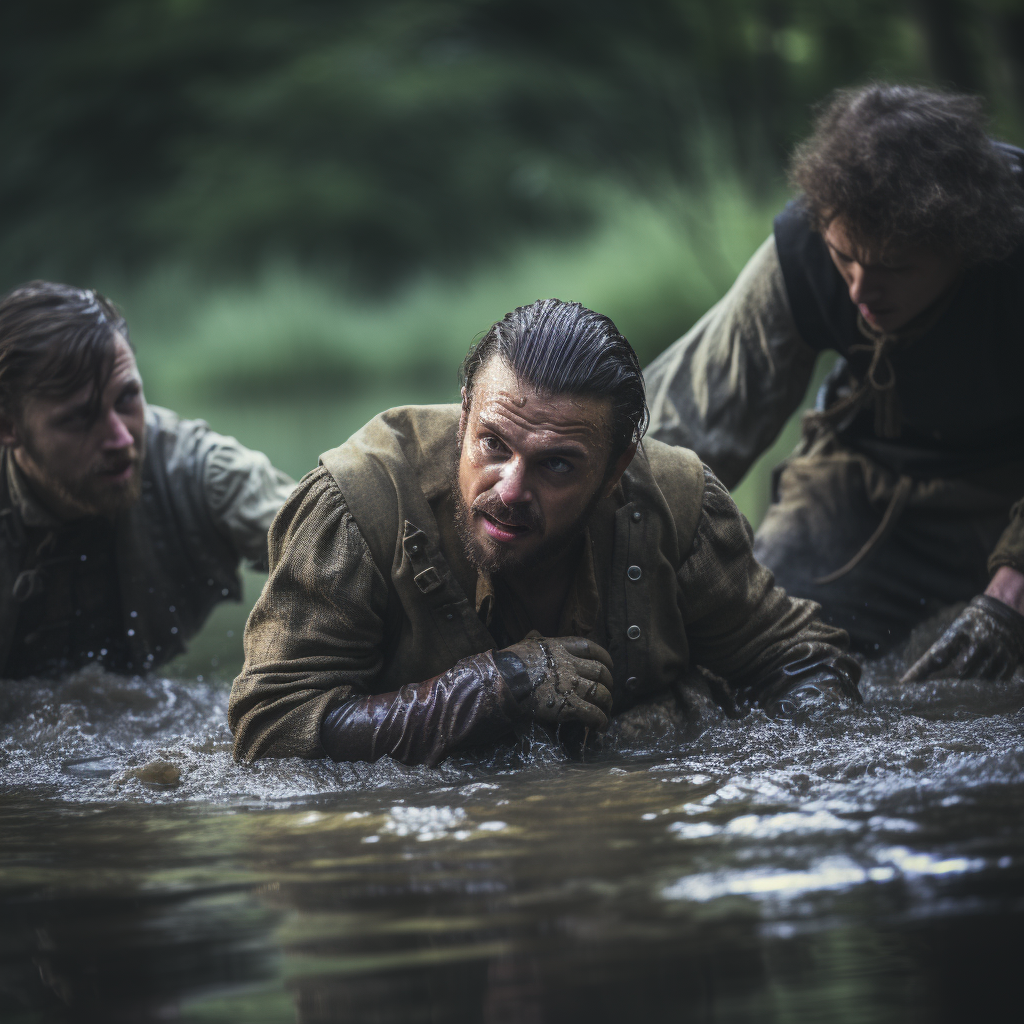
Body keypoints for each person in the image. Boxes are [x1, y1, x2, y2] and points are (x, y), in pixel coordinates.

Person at [229, 298, 860, 766]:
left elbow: (796, 659)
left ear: (616, 470)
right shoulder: (359, 504)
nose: (508, 490)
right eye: (492, 444)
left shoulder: (677, 504)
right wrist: (488, 688)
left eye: (556, 465)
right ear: (465, 414)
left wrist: (820, 770)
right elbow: (270, 730)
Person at [645, 84, 1024, 682]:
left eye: (894, 267)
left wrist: (1010, 593)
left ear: (965, 247)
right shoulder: (802, 244)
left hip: (1009, 489)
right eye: (845, 258)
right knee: (756, 661)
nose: (859, 291)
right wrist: (601, 525)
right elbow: (695, 414)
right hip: (864, 482)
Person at [0, 280, 296, 678]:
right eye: (79, 417)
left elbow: (335, 544)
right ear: (8, 426)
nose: (121, 438)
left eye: (126, 399)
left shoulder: (199, 471)